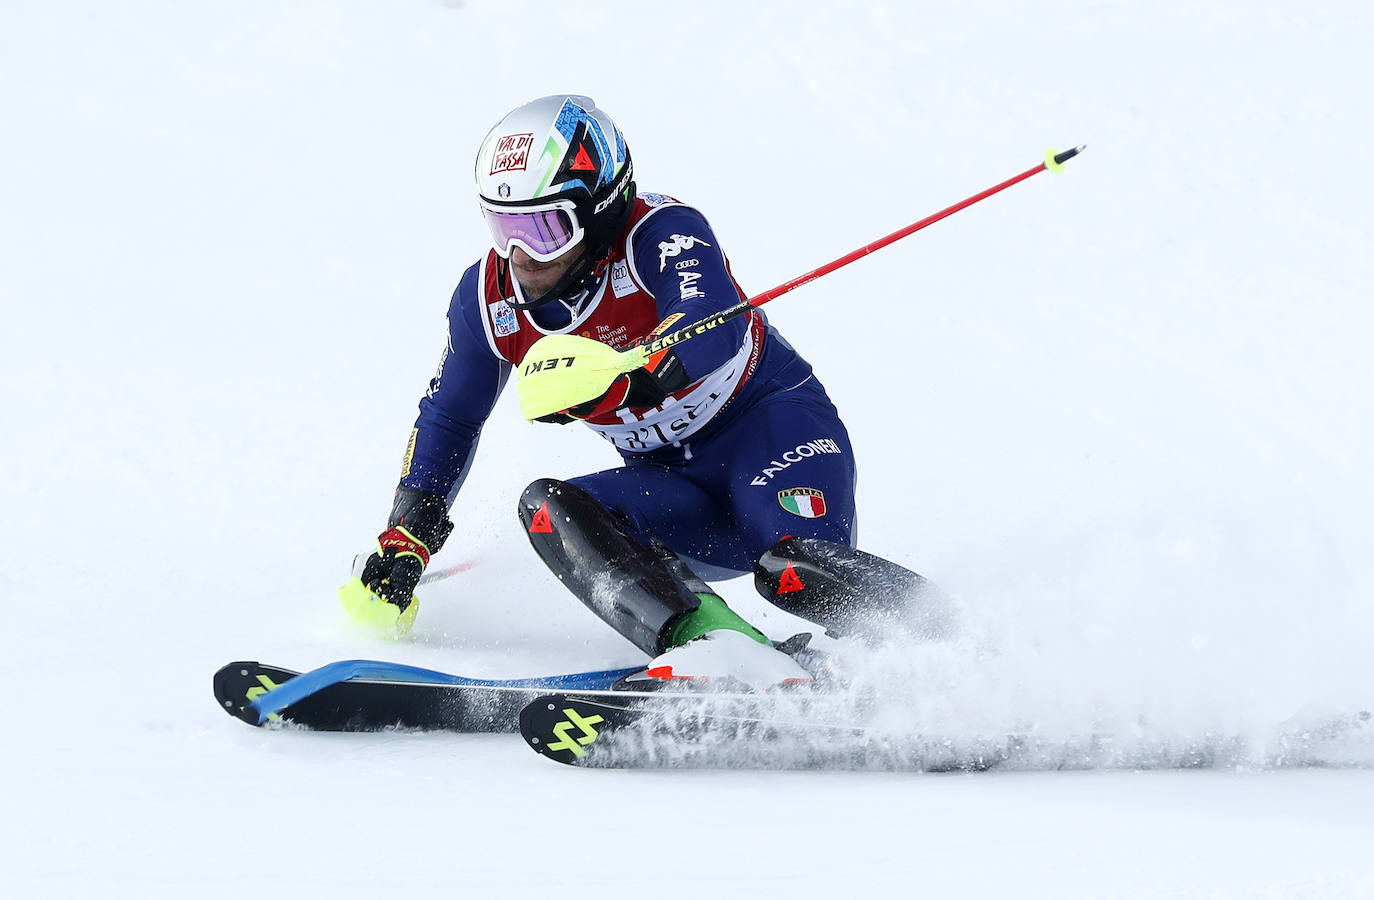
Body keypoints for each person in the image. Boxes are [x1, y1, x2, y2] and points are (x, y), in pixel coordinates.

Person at [339, 95, 926, 689]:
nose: (521, 257)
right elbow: (449, 418)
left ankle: (954, 647)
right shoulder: (486, 301)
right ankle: (720, 647)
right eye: (504, 227)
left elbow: (711, 321)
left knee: (794, 572)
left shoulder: (663, 233)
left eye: (544, 229)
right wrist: (407, 535)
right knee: (547, 507)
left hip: (772, 437)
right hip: (674, 488)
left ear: (600, 211)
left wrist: (631, 377)